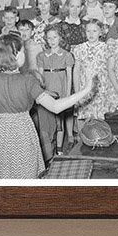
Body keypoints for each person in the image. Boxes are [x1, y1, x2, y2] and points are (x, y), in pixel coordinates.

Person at [0, 36, 94, 179]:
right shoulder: (28, 81)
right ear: (15, 55)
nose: (24, 54)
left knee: (3, 173)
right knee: (25, 173)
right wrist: (85, 90)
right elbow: (55, 107)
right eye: (22, 51)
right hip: (22, 130)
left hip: (0, 131)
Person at [35, 25, 75, 159]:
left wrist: (68, 95)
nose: (52, 41)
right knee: (47, 121)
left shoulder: (66, 55)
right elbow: (40, 76)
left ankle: (59, 149)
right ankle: (48, 149)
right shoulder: (41, 55)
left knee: (59, 122)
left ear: (60, 38)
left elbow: (69, 76)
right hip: (47, 91)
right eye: (49, 38)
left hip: (61, 90)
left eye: (55, 37)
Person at [72, 18, 115, 121]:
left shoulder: (106, 48)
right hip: (84, 89)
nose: (91, 34)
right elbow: (76, 71)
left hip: (101, 90)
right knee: (85, 121)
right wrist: (77, 92)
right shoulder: (79, 49)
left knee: (100, 120)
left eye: (94, 31)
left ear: (100, 32)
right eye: (88, 31)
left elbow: (111, 70)